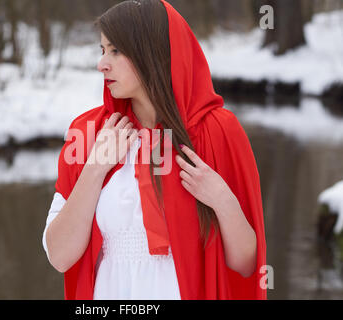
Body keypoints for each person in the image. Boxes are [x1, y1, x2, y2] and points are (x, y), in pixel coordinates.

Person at [42, 0, 267, 300]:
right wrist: (96, 167)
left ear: (151, 54)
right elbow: (60, 257)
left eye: (115, 51)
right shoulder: (90, 133)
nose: (101, 64)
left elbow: (245, 264)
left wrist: (222, 199)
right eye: (102, 50)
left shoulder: (217, 132)